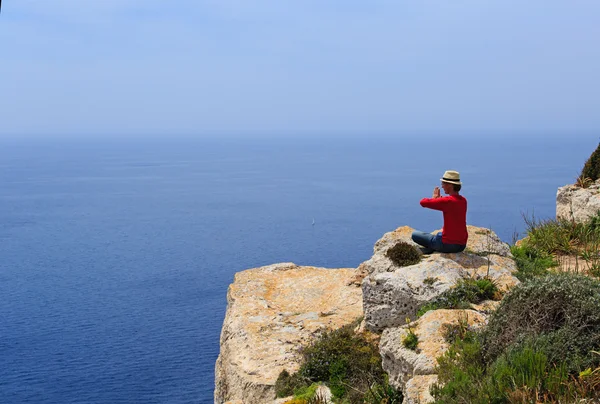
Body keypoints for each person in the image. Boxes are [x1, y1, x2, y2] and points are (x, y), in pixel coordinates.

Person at [411, 170, 468, 254]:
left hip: (446, 245)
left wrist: (434, 198)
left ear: (450, 185)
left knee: (415, 235)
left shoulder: (447, 201)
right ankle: (433, 246)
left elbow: (423, 202)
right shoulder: (463, 200)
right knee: (439, 234)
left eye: (443, 183)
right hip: (461, 246)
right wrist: (439, 200)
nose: (442, 186)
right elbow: (448, 205)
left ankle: (432, 248)